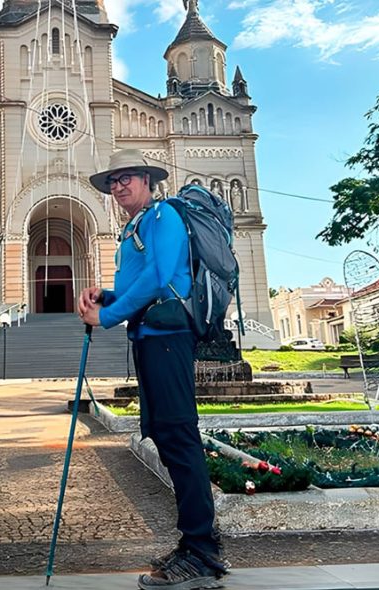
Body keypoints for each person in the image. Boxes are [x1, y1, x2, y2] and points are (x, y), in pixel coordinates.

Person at [79, 149, 228, 590]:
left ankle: (201, 550)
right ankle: (197, 543)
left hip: (168, 338)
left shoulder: (162, 216)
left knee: (179, 435)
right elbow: (135, 285)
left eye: (127, 178)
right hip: (148, 338)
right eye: (113, 182)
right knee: (164, 432)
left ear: (148, 180)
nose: (119, 186)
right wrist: (107, 296)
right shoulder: (135, 226)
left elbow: (162, 277)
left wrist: (107, 317)